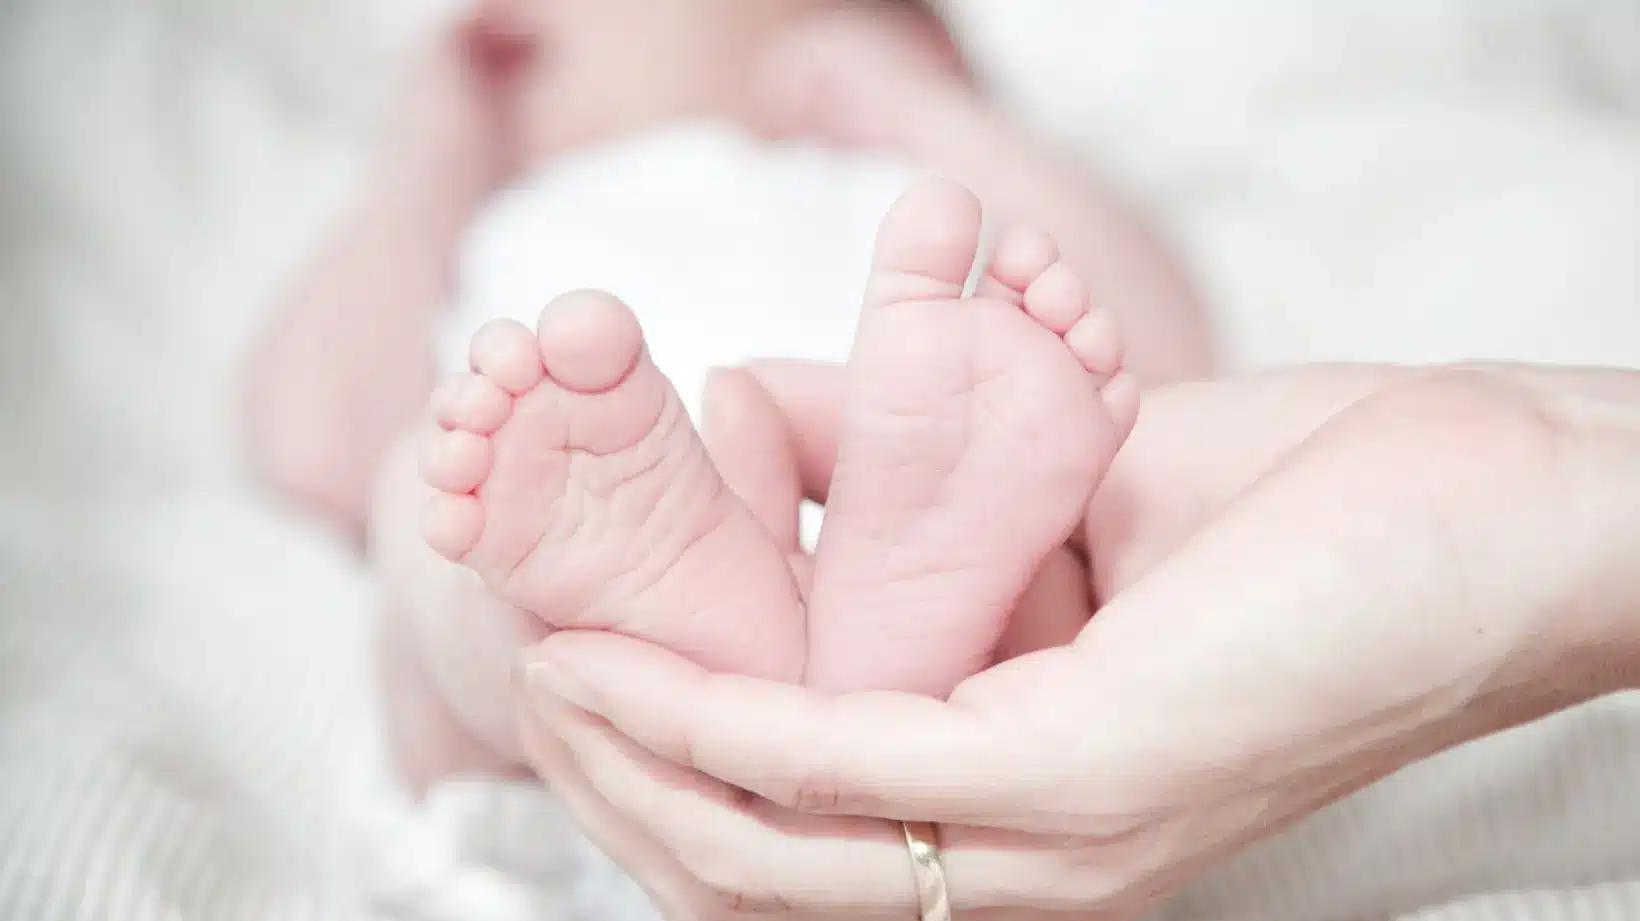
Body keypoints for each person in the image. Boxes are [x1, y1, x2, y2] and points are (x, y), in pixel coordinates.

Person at [243, 0, 1210, 797]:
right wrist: (437, 149)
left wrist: (930, 115)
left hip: (928, 595)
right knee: (434, 501)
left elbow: (1161, 364)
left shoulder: (906, 188)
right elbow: (316, 446)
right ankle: (713, 630)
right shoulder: (502, 212)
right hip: (572, 654)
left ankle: (822, 637)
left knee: (1073, 521)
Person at [512, 359, 1640, 921]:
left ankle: (773, 647)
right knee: (492, 561)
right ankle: (821, 635)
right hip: (653, 453)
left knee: (497, 608)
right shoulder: (522, 169)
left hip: (735, 440)